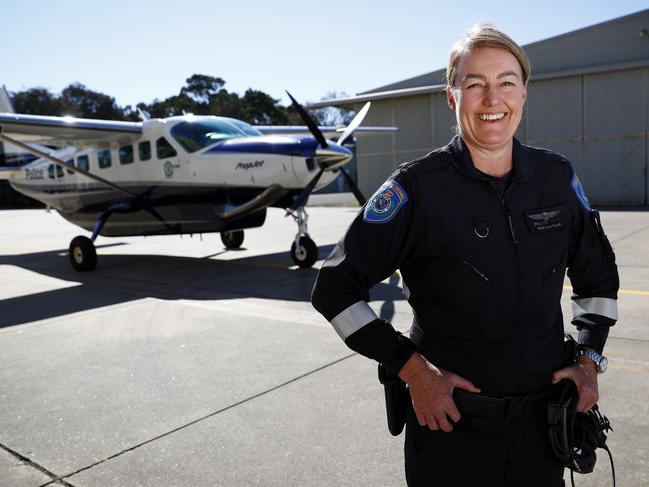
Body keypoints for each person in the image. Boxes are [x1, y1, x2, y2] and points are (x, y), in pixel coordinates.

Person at [311, 24, 619, 487]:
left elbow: (597, 281)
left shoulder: (556, 180)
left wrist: (590, 359)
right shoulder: (416, 189)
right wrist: (414, 370)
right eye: (475, 84)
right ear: (453, 98)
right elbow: (335, 288)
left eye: (506, 83)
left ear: (524, 93)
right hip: (451, 434)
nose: (493, 100)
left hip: (542, 433)